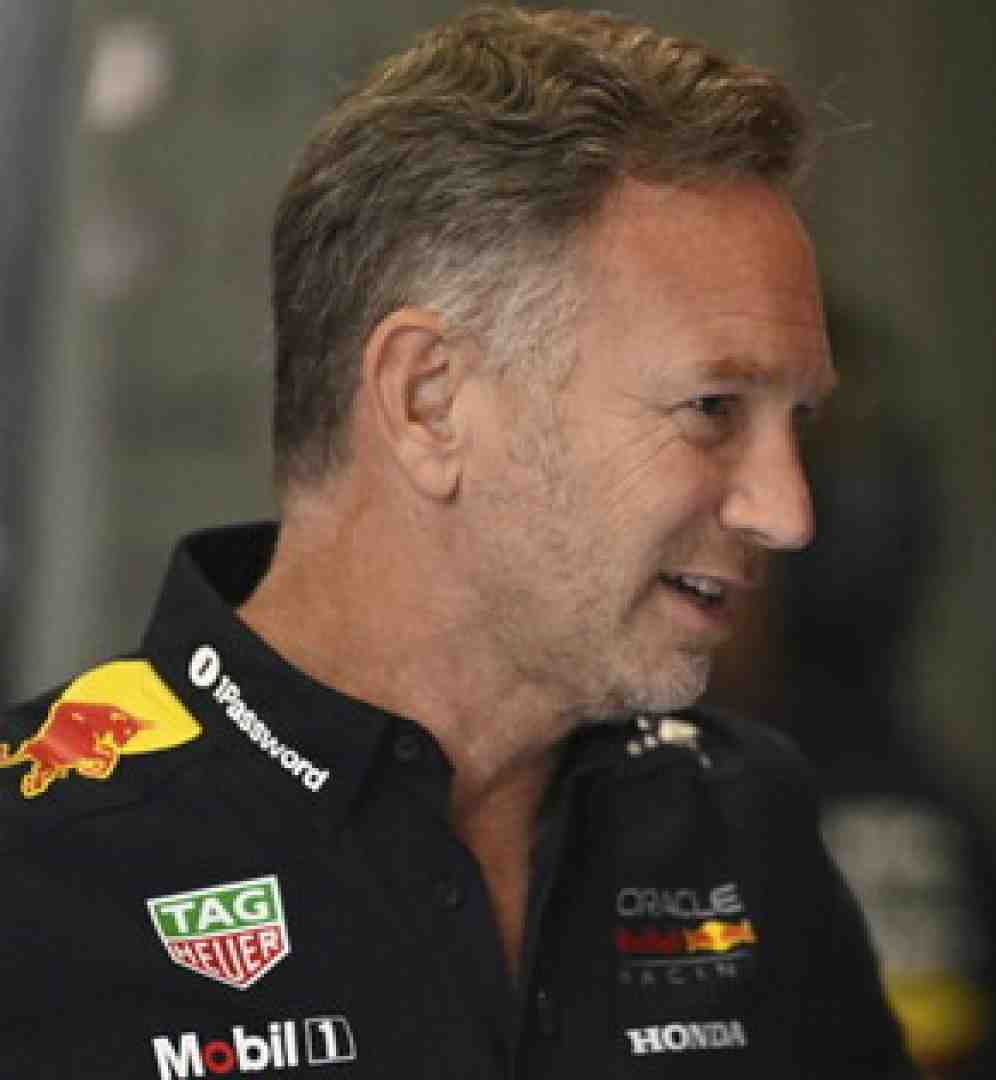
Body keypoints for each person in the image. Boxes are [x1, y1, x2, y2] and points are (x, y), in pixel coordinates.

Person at [0, 8, 915, 1077]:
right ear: (429, 401)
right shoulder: (36, 862)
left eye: (798, 422)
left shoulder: (739, 819)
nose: (788, 511)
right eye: (713, 408)